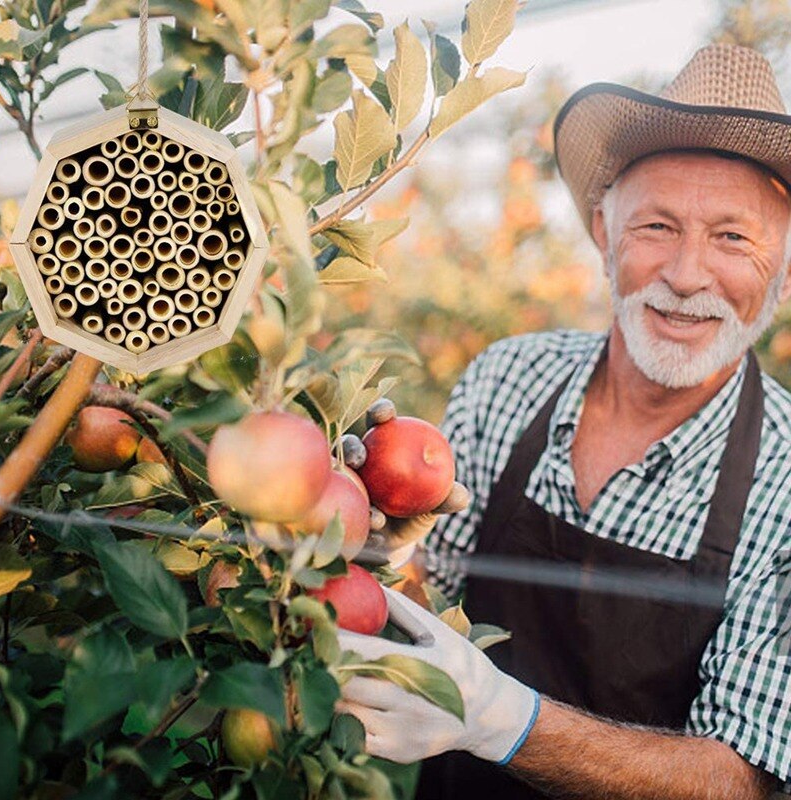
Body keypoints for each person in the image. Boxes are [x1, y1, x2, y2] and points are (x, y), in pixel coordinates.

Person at [339, 44, 791, 799]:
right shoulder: (507, 380)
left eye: (733, 237)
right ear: (602, 235)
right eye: (655, 227)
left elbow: (740, 775)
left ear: (783, 266)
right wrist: (385, 557)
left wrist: (506, 722)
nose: (685, 275)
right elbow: (437, 612)